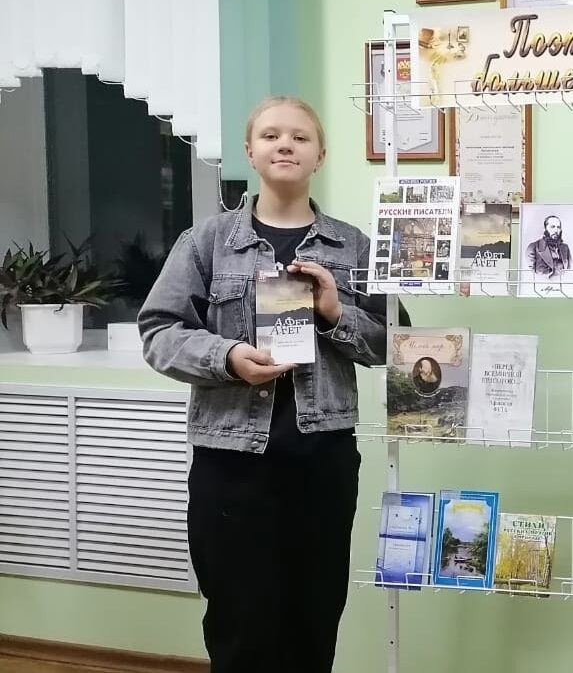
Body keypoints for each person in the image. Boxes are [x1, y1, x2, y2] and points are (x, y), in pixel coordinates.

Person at [138, 95, 387, 673]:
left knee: (314, 616)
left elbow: (391, 346)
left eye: (300, 136)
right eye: (271, 135)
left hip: (322, 459)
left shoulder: (354, 246)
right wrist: (227, 357)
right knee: (239, 623)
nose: (285, 145)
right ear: (249, 152)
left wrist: (334, 312)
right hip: (230, 463)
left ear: (320, 155)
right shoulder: (205, 241)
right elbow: (158, 332)